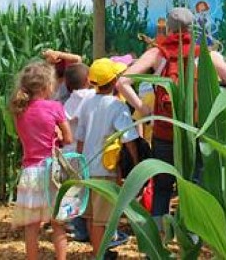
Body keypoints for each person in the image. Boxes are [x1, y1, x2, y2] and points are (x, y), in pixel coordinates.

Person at [116, 7, 226, 228]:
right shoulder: (207, 55)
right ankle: (191, 239)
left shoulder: (157, 54)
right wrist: (217, 108)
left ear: (168, 28)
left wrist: (143, 108)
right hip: (196, 133)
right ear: (192, 28)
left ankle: (158, 245)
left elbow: (122, 82)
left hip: (164, 133)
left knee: (162, 187)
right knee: (194, 187)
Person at [76, 58, 142, 258]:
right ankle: (100, 254)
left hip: (87, 168)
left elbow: (80, 136)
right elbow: (129, 137)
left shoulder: (86, 102)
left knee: (91, 215)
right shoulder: (117, 106)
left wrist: (79, 163)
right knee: (101, 220)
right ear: (115, 82)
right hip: (105, 170)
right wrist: (137, 162)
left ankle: (99, 250)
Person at [9, 61, 72, 260]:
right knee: (58, 223)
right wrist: (57, 137)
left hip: (29, 173)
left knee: (31, 225)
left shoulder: (19, 110)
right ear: (47, 86)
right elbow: (68, 138)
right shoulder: (55, 107)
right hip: (51, 170)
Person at [60, 63, 95, 242]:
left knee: (72, 190)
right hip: (86, 152)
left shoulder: (68, 101)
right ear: (89, 80)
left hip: (68, 153)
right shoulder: (92, 97)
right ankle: (86, 229)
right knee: (87, 192)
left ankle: (73, 225)